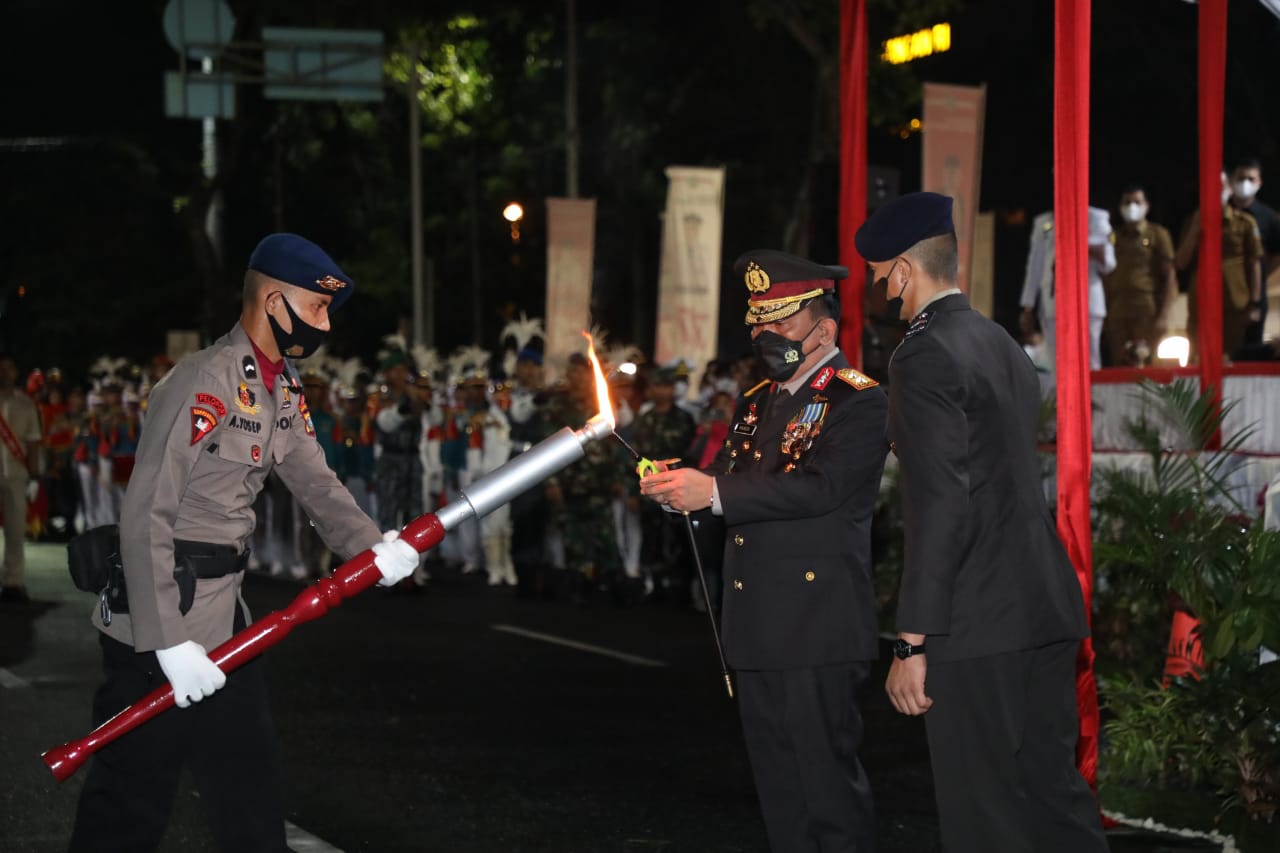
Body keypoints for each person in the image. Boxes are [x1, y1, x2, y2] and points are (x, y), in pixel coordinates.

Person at [68, 233, 420, 853]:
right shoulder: (203, 382)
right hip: (159, 624)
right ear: (274, 302)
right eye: (316, 308)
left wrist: (371, 549)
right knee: (128, 804)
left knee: (249, 794)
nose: (326, 324)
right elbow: (147, 511)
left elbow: (315, 479)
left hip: (228, 619)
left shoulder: (278, 386)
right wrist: (167, 640)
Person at [858, 192, 1106, 852]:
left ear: (906, 271)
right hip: (1044, 603)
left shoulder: (920, 356)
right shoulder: (1001, 343)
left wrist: (911, 642)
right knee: (1055, 799)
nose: (885, 295)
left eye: (883, 278)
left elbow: (942, 503)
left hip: (977, 619)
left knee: (984, 816)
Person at [639, 250, 888, 852]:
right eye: (758, 323)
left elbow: (819, 488)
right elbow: (732, 481)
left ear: (823, 329)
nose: (764, 335)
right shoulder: (758, 401)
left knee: (827, 793)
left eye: (780, 321)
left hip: (816, 627)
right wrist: (684, 490)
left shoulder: (860, 400)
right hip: (754, 626)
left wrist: (714, 492)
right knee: (779, 792)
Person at [1175, 170, 1264, 361]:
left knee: (1231, 358)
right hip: (1201, 303)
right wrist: (1195, 228)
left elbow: (1254, 264)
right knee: (1199, 356)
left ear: (1229, 189)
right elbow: (1181, 262)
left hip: (1234, 303)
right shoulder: (1191, 222)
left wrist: (1255, 303)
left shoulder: (1245, 223)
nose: (1215, 191)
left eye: (1220, 187)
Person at [1019, 207, 1115, 369]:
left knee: (1090, 359)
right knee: (1056, 361)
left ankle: (1091, 395)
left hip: (1088, 300)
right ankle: (1059, 394)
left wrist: (1083, 245)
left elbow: (1109, 264)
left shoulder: (1096, 218)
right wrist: (1028, 306)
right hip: (1052, 300)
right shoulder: (1043, 222)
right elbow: (1035, 265)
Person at [1104, 185, 1179, 366]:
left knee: (1145, 361)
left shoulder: (1158, 235)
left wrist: (1163, 315)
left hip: (1146, 308)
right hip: (1117, 309)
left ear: (1146, 206)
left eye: (1137, 202)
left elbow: (1169, 276)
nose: (1132, 207)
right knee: (1120, 362)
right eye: (1127, 202)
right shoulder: (1113, 237)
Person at [0, 354, 42, 603]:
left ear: (16, 373)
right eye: (1, 368)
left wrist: (35, 477)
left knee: (16, 531)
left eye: (9, 368)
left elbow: (33, 443)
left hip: (16, 475)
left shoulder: (26, 404)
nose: (5, 373)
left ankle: (13, 582)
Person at [1227, 157, 1280, 345]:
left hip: (1253, 296)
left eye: (1251, 179)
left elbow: (1275, 254)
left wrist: (1260, 275)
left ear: (1259, 183)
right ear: (1231, 181)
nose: (1245, 183)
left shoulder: (1267, 217)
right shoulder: (1220, 213)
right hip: (1225, 293)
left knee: (1250, 349)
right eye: (1241, 178)